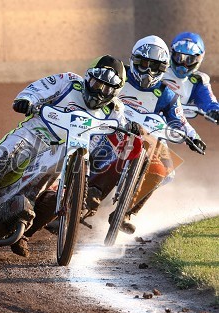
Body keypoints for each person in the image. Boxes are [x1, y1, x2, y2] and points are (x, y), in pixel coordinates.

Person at [0, 55, 127, 257]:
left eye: (107, 89)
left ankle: (22, 232)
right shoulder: (68, 81)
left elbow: (123, 130)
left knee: (53, 199)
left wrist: (132, 129)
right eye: (96, 82)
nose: (99, 91)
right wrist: (26, 100)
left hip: (63, 152)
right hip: (33, 134)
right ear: (87, 77)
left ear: (115, 92)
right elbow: (38, 89)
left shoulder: (115, 110)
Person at [86, 35, 206, 234]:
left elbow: (178, 119)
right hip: (111, 129)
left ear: (164, 68)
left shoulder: (166, 93)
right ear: (134, 60)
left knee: (167, 171)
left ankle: (126, 212)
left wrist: (193, 136)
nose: (148, 71)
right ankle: (82, 193)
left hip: (150, 137)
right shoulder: (118, 76)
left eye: (156, 67)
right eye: (144, 64)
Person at [162, 31, 219, 124]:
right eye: (179, 58)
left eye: (189, 60)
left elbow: (209, 101)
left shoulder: (198, 81)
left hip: (168, 126)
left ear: (199, 59)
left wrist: (215, 111)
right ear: (172, 53)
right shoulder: (159, 68)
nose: (183, 65)